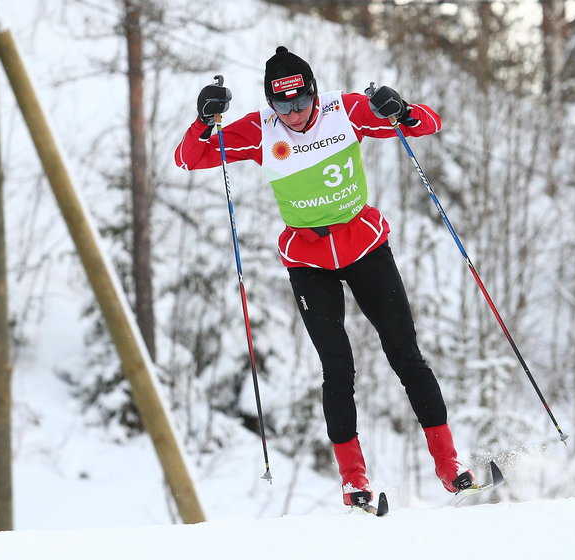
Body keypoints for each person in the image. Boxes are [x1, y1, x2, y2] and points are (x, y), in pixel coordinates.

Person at [175, 46, 474, 508]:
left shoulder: (347, 109)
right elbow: (189, 158)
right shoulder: (259, 130)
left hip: (366, 246)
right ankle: (354, 481)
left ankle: (449, 466)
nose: (293, 114)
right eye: (283, 105)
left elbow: (428, 124)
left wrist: (403, 110)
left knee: (405, 355)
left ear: (314, 93)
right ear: (271, 104)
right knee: (337, 368)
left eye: (301, 102)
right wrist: (204, 119)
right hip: (309, 261)